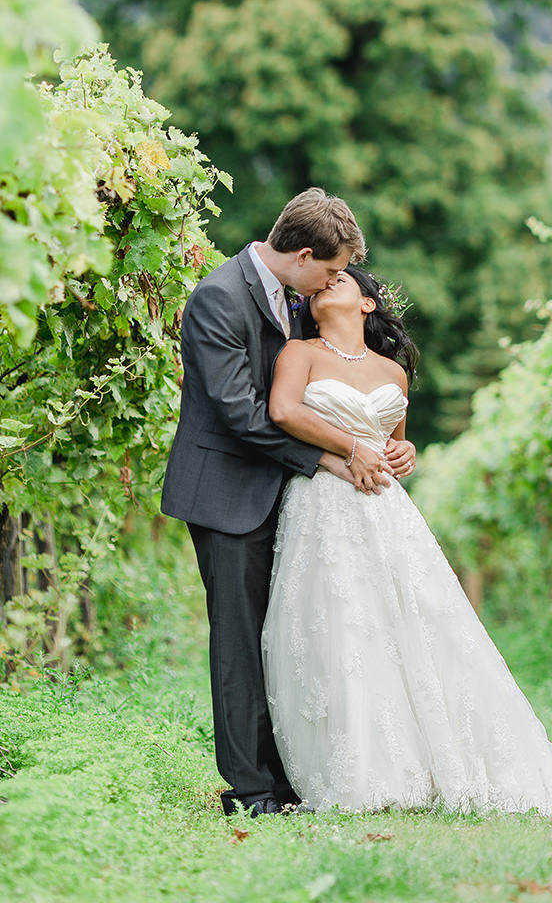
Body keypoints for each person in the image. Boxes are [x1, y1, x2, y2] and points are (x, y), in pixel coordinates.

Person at [262, 268, 552, 816]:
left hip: (384, 511)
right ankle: (360, 768)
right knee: (342, 627)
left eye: (342, 277)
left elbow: (395, 445)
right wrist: (352, 449)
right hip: (323, 505)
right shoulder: (298, 354)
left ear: (368, 304)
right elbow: (283, 413)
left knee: (412, 628)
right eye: (320, 280)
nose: (326, 283)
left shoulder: (393, 373)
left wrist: (407, 453)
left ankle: (425, 757)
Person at [161, 188, 390, 817]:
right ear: (306, 254)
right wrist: (331, 458)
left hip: (290, 499)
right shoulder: (217, 297)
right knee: (238, 644)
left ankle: (291, 777)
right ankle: (253, 791)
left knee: (285, 640)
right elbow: (240, 413)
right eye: (333, 270)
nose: (335, 284)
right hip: (227, 494)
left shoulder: (294, 296)